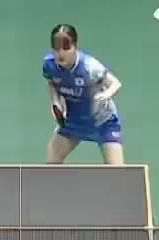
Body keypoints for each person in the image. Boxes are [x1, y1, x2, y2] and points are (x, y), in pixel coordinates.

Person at [42, 24, 125, 165]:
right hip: (73, 122)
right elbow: (52, 83)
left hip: (102, 123)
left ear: (75, 47)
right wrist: (55, 102)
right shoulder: (49, 65)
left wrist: (106, 94)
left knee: (118, 173)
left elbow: (116, 83)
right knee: (51, 163)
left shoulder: (89, 67)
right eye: (56, 48)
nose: (60, 53)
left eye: (66, 47)